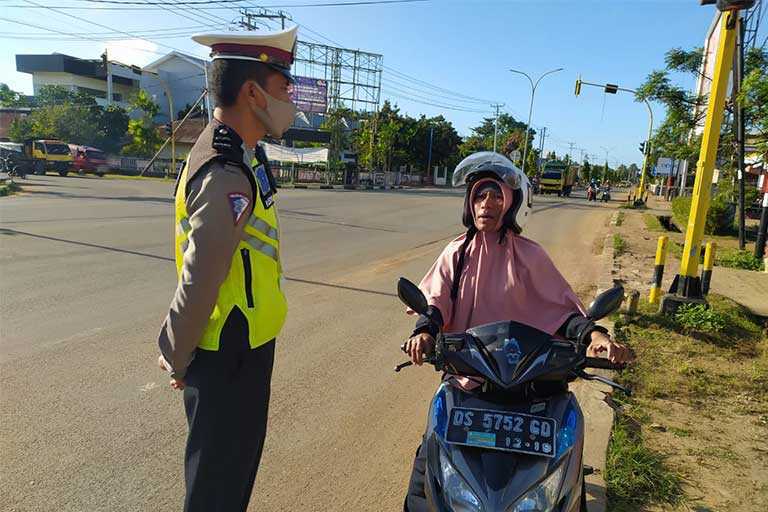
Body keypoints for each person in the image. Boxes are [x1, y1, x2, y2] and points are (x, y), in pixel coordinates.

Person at [401, 152, 633, 511]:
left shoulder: (530, 255)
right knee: (427, 468)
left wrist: (595, 336)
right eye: (480, 196)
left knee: (565, 476)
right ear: (469, 203)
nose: (487, 204)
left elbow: (561, 311)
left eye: (496, 196)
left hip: (528, 384)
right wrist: (425, 332)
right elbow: (435, 302)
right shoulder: (456, 253)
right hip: (469, 379)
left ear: (510, 204)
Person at [155, 26, 298, 512]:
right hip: (228, 353)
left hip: (243, 346)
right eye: (284, 87)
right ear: (252, 92)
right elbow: (202, 274)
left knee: (231, 482)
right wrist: (176, 352)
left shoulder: (244, 154)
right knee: (217, 491)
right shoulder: (225, 169)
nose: (291, 98)